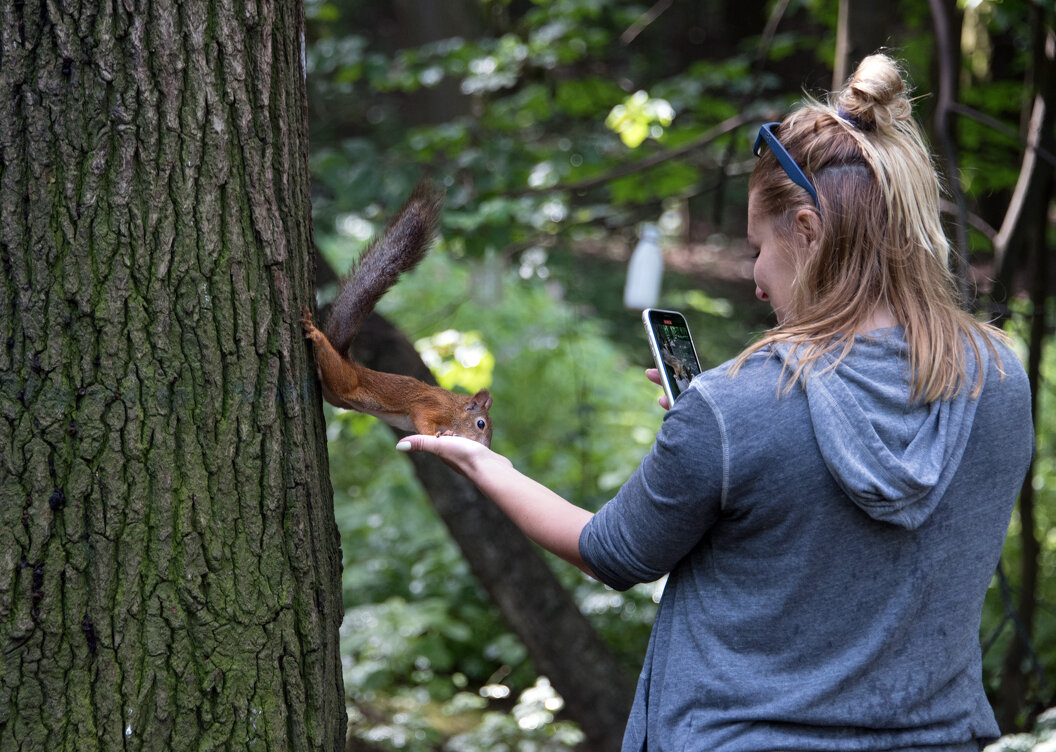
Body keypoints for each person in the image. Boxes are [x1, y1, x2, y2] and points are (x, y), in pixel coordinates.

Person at [396, 53, 1034, 751]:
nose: (757, 279)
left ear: (808, 231)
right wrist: (716, 441)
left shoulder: (736, 407)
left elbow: (611, 551)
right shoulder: (999, 379)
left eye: (758, 248)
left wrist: (484, 464)